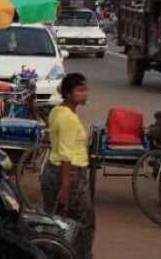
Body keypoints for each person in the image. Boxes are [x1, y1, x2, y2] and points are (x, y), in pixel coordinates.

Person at [41, 73, 95, 259]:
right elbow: (66, 154)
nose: (85, 94)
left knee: (57, 224)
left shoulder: (57, 111)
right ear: (68, 94)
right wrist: (65, 187)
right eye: (80, 90)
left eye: (85, 89)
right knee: (83, 223)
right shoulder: (68, 118)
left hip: (54, 170)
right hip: (69, 174)